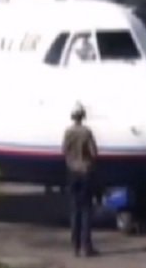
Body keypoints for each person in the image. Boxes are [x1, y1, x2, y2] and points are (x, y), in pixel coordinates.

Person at [62, 102, 98, 258]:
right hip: (85, 171)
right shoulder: (86, 132)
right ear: (83, 116)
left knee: (74, 209)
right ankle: (86, 246)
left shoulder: (68, 132)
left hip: (72, 172)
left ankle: (75, 246)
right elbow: (94, 152)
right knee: (86, 210)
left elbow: (63, 150)